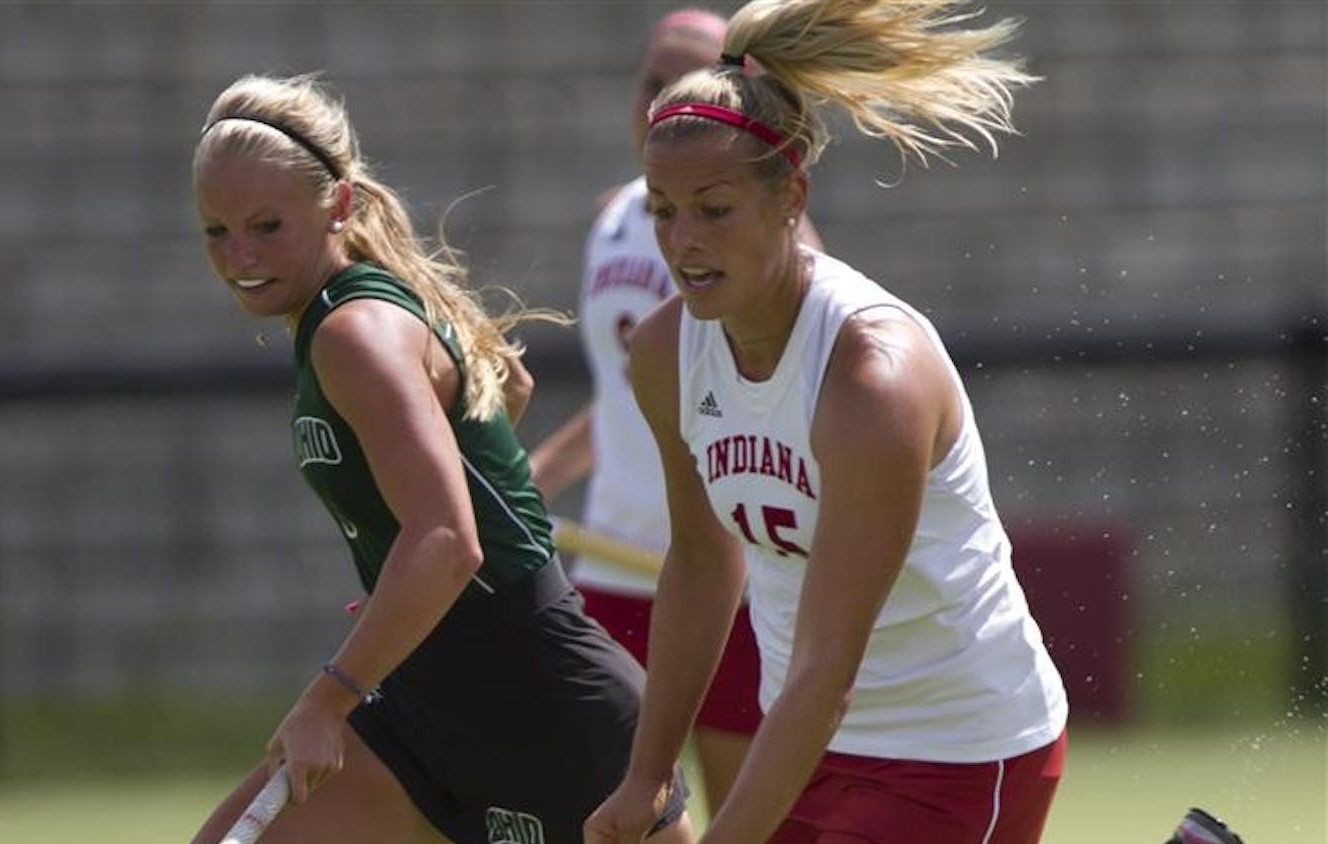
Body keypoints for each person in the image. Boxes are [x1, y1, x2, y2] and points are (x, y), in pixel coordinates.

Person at [583, 1, 1069, 843]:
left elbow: (827, 668)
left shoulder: (870, 379)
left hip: (956, 747)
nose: (684, 242)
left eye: (715, 207)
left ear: (790, 196)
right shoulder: (667, 352)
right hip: (808, 738)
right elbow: (701, 563)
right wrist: (649, 776)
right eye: (664, 210)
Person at [189, 73, 692, 844]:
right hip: (424, 705)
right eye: (216, 232)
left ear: (340, 207)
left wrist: (326, 699)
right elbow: (507, 389)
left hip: (544, 705)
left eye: (265, 225)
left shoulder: (352, 332)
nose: (240, 256)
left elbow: (448, 540)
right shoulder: (353, 310)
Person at [529, 7, 820, 813]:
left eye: (682, 83)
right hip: (615, 567)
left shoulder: (777, 243)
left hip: (726, 574)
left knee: (745, 816)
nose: (659, 100)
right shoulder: (617, 217)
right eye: (649, 83)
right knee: (605, 807)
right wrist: (531, 477)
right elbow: (628, 394)